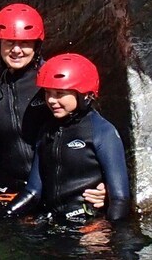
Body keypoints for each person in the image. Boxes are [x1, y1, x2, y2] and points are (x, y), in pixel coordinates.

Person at [0, 3, 106, 207]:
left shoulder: (54, 78)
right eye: (9, 42)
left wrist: (103, 184)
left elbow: (92, 131)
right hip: (9, 193)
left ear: (37, 45)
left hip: (55, 190)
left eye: (25, 43)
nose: (16, 50)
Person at [7, 54, 130, 222]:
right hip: (52, 222)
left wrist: (107, 233)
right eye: (48, 92)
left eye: (60, 93)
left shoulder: (103, 132)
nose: (51, 100)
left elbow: (120, 200)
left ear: (84, 95)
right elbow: (33, 192)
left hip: (88, 226)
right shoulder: (46, 130)